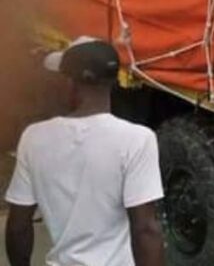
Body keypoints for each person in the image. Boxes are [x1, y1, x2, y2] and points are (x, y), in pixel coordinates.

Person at [4, 37, 165, 266]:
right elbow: (146, 230)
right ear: (113, 81)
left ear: (70, 83)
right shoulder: (137, 140)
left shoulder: (34, 138)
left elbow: (18, 225)